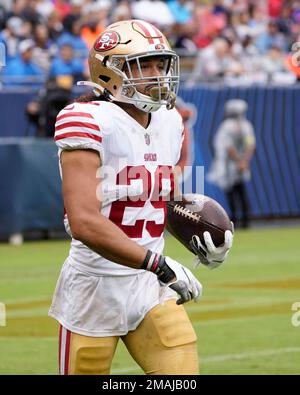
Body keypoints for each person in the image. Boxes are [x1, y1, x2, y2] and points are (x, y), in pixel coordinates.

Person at [48, 19, 233, 375]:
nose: (157, 74)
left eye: (160, 64)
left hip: (150, 286)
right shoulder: (86, 118)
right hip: (95, 286)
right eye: (143, 65)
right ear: (109, 72)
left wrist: (197, 229)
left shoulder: (169, 120)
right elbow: (84, 221)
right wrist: (160, 265)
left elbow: (155, 195)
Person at [207, 99, 256, 228]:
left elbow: (228, 147)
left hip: (230, 165)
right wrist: (244, 162)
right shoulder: (247, 125)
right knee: (241, 192)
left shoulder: (227, 126)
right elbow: (251, 145)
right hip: (241, 164)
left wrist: (240, 161)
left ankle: (236, 220)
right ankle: (246, 220)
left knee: (233, 194)